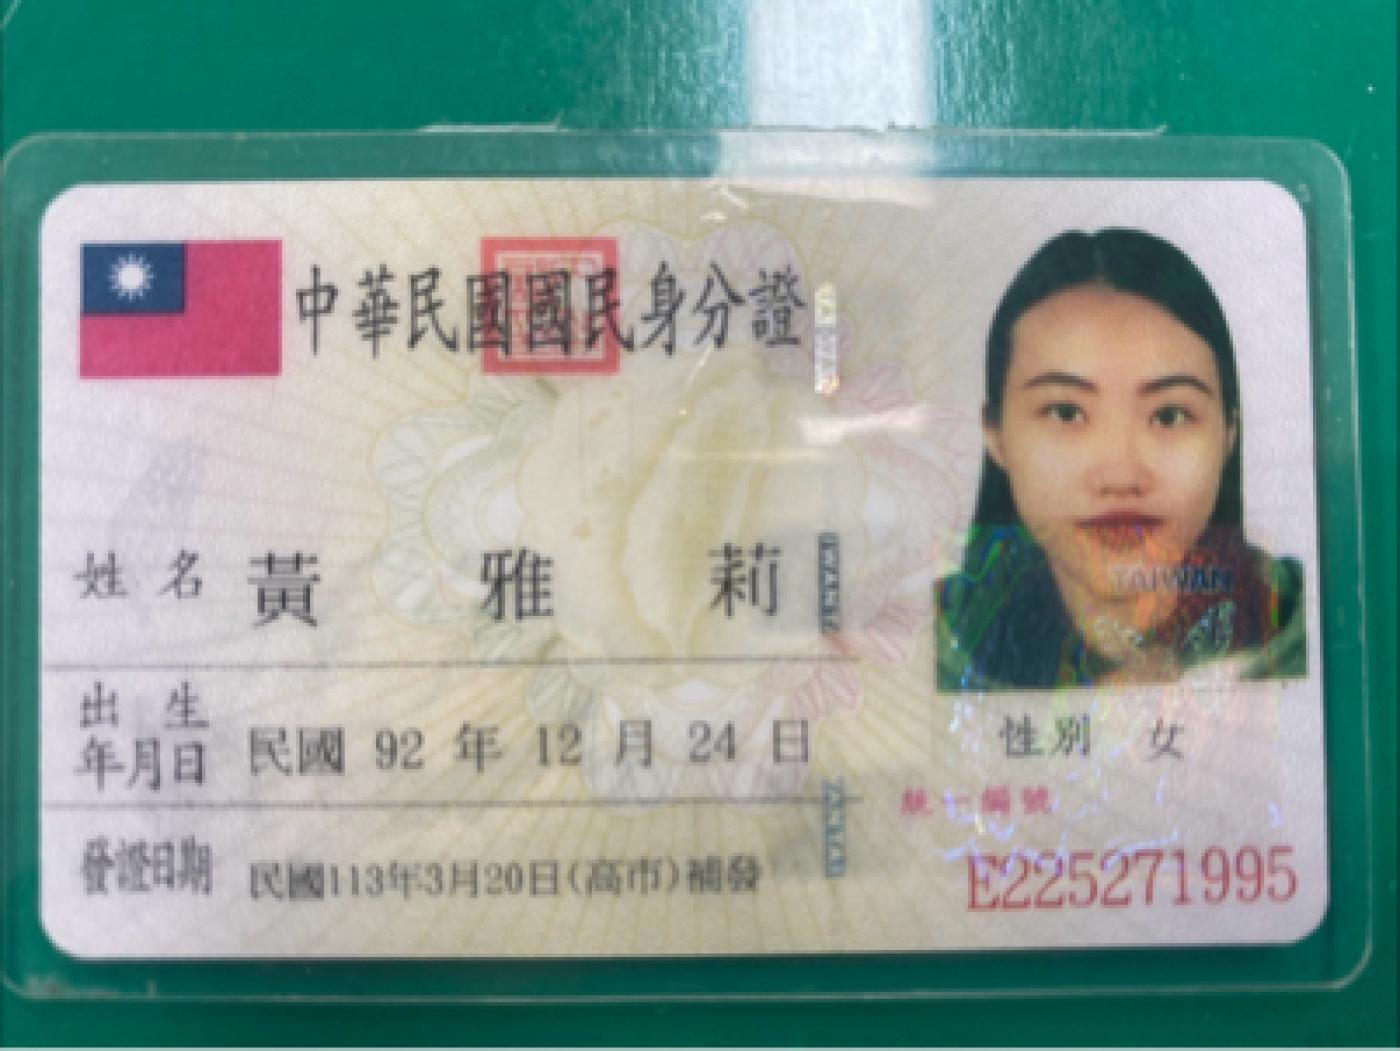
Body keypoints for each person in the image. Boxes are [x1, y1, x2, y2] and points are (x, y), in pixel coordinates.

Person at [937, 228, 1305, 690]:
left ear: (1228, 434)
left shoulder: (1311, 624)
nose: (1120, 475)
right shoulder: (920, 645)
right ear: (996, 435)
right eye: (1066, 413)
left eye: (1169, 415)